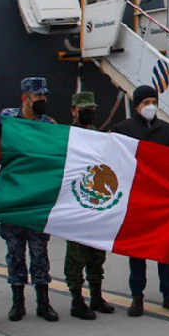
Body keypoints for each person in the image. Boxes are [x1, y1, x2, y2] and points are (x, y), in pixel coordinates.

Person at [0, 77, 59, 323]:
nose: (43, 100)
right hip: (15, 198)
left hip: (37, 199)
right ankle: (18, 302)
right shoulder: (8, 118)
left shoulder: (47, 124)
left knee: (40, 253)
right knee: (15, 252)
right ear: (25, 98)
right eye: (38, 96)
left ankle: (43, 303)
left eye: (44, 96)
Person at [113, 85, 169, 315]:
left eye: (153, 101)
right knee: (137, 251)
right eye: (145, 102)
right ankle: (137, 296)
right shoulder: (122, 130)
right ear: (136, 105)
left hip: (161, 201)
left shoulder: (166, 129)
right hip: (136, 200)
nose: (150, 106)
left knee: (165, 248)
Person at [64, 91, 114, 320]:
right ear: (74, 110)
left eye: (91, 108)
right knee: (76, 255)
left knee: (97, 253)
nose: (88, 112)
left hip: (96, 203)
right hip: (75, 204)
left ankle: (96, 295)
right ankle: (76, 299)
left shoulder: (99, 136)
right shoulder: (65, 136)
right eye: (84, 109)